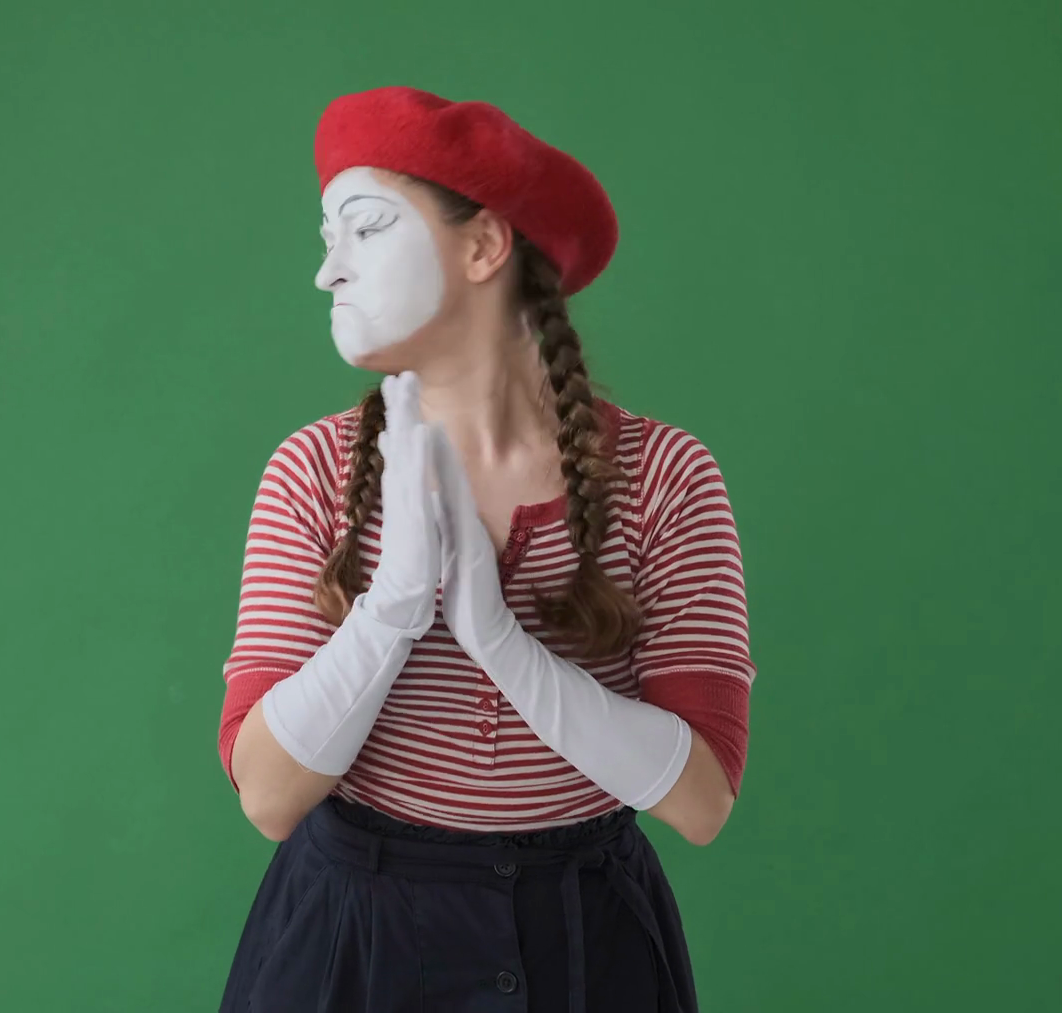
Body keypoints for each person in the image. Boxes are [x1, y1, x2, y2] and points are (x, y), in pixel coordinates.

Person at [215, 85, 756, 1013]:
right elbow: (268, 797)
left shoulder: (665, 475)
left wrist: (500, 640)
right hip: (350, 940)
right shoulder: (311, 470)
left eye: (366, 228)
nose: (329, 272)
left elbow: (702, 802)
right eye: (326, 238)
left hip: (586, 940)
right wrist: (392, 606)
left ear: (482, 247)